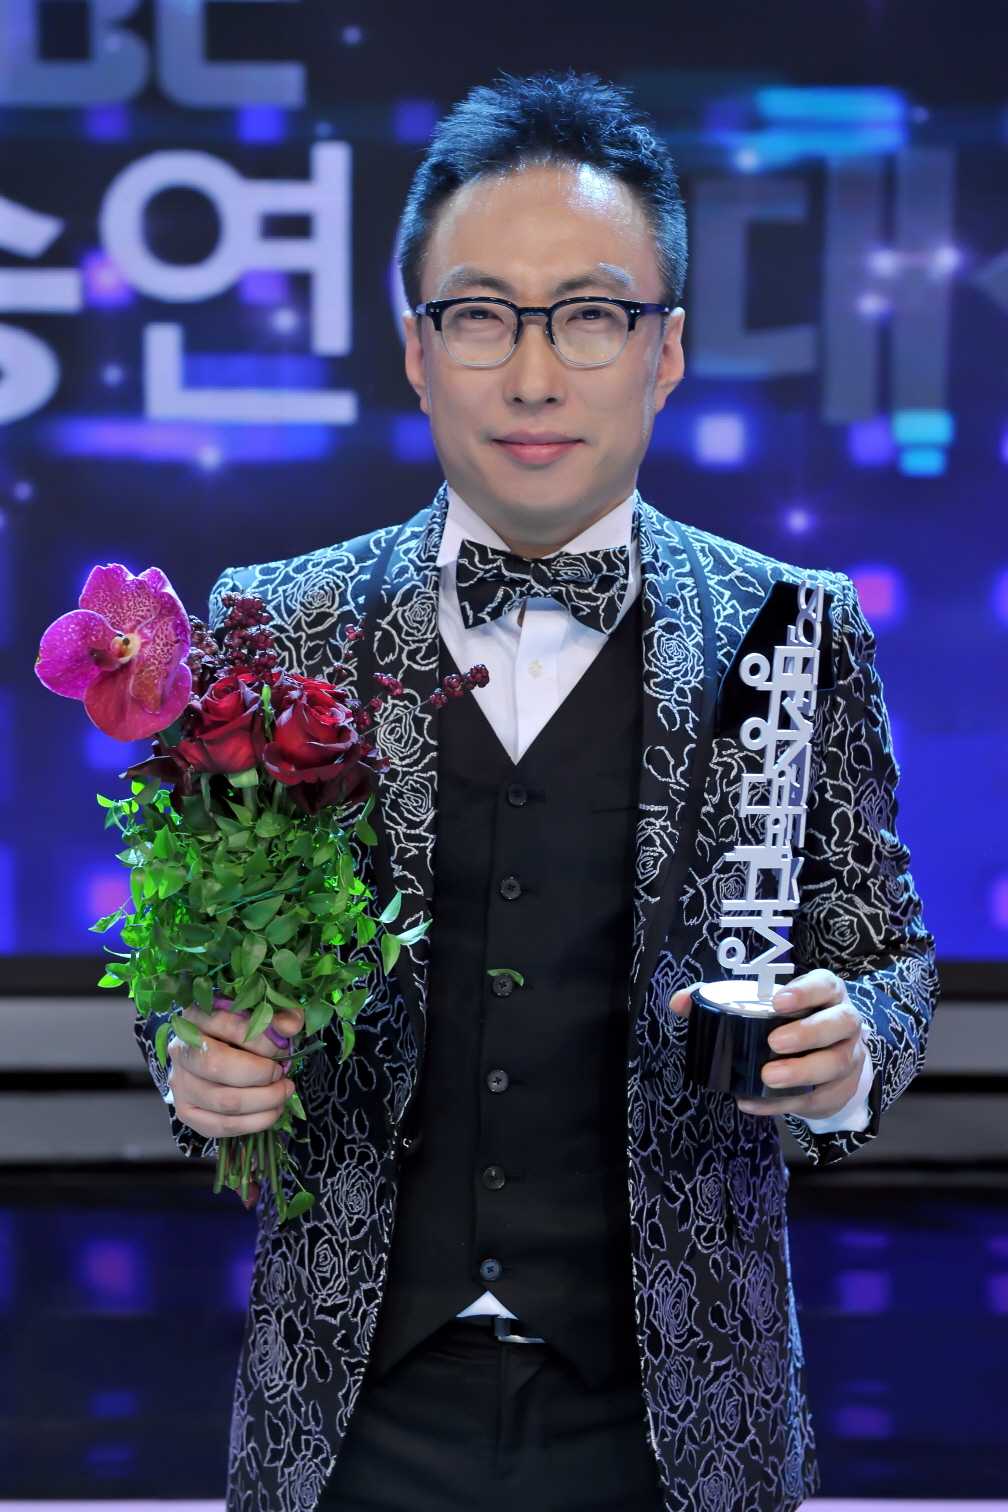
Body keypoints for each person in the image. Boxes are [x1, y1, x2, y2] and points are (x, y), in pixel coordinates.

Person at [141, 73, 936, 1512]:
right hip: (351, 1407)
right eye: (481, 316)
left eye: (589, 315)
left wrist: (855, 1048)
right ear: (415, 347)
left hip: (681, 1410)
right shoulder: (275, 624)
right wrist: (191, 1065)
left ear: (667, 350)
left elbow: (884, 952)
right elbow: (184, 969)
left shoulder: (791, 628)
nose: (531, 376)